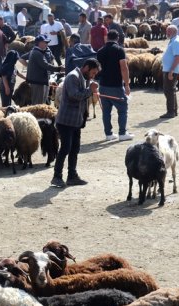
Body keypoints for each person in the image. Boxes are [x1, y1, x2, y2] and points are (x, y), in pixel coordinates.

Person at [51, 58, 100, 188]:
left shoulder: (82, 77)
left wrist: (90, 85)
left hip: (75, 121)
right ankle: (57, 176)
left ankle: (72, 176)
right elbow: (75, 95)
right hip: (66, 121)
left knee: (74, 149)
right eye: (93, 73)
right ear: (87, 68)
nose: (93, 76)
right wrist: (90, 90)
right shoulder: (73, 76)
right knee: (66, 148)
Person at [97, 30, 132, 141]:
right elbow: (124, 68)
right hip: (116, 85)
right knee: (122, 109)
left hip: (103, 85)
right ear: (117, 38)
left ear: (107, 37)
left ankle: (108, 134)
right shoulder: (119, 50)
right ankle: (122, 133)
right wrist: (127, 84)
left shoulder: (100, 51)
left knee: (106, 111)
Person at [21, 36, 62, 105]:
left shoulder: (42, 51)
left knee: (42, 103)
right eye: (45, 42)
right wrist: (59, 69)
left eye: (47, 42)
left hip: (42, 81)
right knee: (37, 104)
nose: (47, 44)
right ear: (39, 43)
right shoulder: (36, 53)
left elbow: (51, 60)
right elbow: (45, 65)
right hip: (37, 83)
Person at [160, 25, 179, 118]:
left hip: (170, 70)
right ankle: (174, 110)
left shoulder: (176, 42)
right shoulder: (173, 40)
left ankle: (171, 112)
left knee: (169, 90)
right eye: (167, 31)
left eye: (168, 31)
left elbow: (178, 57)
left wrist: (171, 70)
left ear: (174, 32)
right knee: (170, 90)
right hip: (169, 69)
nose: (167, 33)